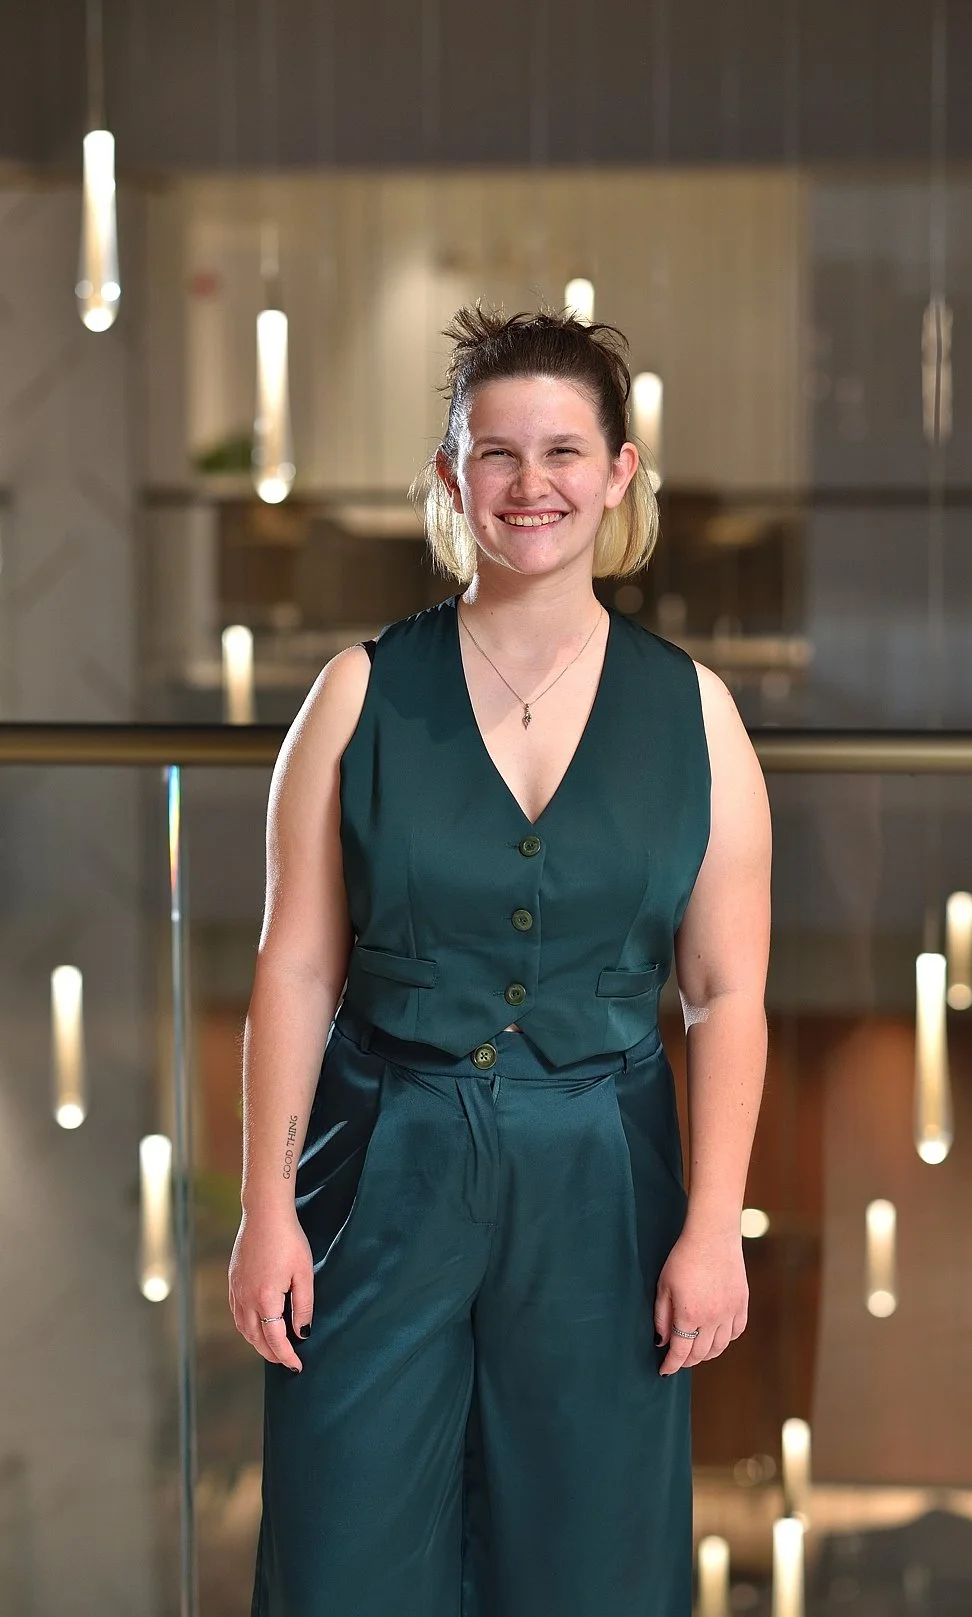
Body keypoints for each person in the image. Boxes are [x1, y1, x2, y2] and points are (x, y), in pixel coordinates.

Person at [229, 303, 772, 1617]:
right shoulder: (358, 693)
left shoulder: (695, 710)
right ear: (450, 477)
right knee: (345, 1537)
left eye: (565, 452)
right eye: (498, 454)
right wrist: (265, 1211)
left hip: (605, 1177)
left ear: (621, 473)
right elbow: (296, 972)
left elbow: (726, 993)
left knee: (590, 1557)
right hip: (382, 1165)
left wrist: (712, 1229)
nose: (533, 486)